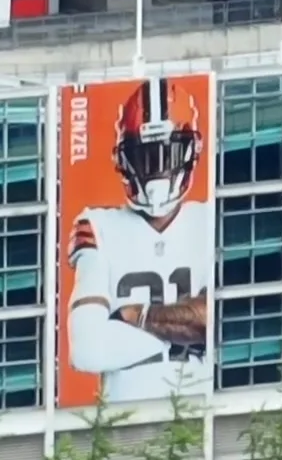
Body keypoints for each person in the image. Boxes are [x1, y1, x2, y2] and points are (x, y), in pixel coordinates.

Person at [65, 78, 212, 404]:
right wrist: (183, 337)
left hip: (200, 415)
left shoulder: (211, 220)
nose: (157, 171)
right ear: (125, 160)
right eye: (146, 158)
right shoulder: (98, 224)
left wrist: (135, 316)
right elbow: (87, 350)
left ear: (190, 152)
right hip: (123, 423)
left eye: (167, 155)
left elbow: (223, 320)